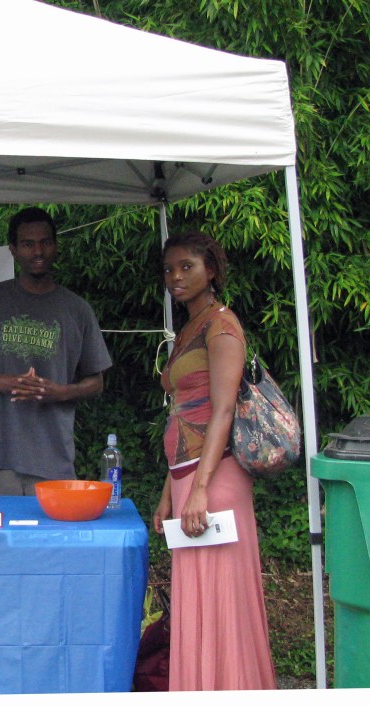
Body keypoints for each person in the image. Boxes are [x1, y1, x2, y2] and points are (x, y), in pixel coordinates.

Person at [152, 231, 276, 690]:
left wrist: (201, 488)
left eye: (187, 266)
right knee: (198, 595)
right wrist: (171, 492)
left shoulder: (221, 326)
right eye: (169, 269)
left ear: (212, 270)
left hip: (216, 476)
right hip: (189, 476)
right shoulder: (189, 326)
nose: (176, 277)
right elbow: (183, 413)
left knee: (221, 596)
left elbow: (223, 409)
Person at [0, 207, 112, 495]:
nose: (37, 251)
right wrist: (3, 382)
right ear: (13, 250)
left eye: (45, 242)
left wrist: (59, 392)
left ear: (55, 245)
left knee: (50, 541)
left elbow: (96, 382)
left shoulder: (77, 309)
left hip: (51, 457)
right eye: (28, 244)